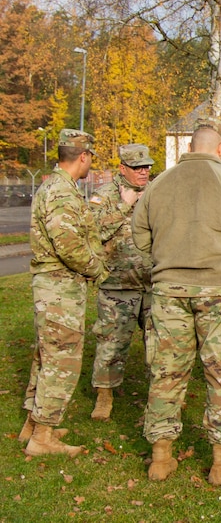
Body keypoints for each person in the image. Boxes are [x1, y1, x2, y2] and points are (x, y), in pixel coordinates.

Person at [131, 120, 221, 484]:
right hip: (218, 293)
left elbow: (140, 238)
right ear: (220, 149)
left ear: (190, 146)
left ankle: (160, 458)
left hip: (168, 292)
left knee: (166, 374)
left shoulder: (158, 184)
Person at [21, 129, 108, 457]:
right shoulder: (60, 191)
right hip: (59, 288)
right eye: (90, 159)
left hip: (55, 287)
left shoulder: (57, 186)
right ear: (83, 157)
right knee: (61, 360)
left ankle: (33, 424)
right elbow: (68, 244)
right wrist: (96, 268)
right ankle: (42, 437)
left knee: (46, 357)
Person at [87, 144, 154, 421]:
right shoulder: (104, 196)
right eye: (137, 167)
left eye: (147, 166)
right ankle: (104, 396)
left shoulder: (155, 191)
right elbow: (91, 234)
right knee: (111, 344)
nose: (143, 172)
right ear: (122, 168)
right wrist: (122, 206)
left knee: (160, 345)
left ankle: (161, 397)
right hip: (118, 284)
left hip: (153, 284)